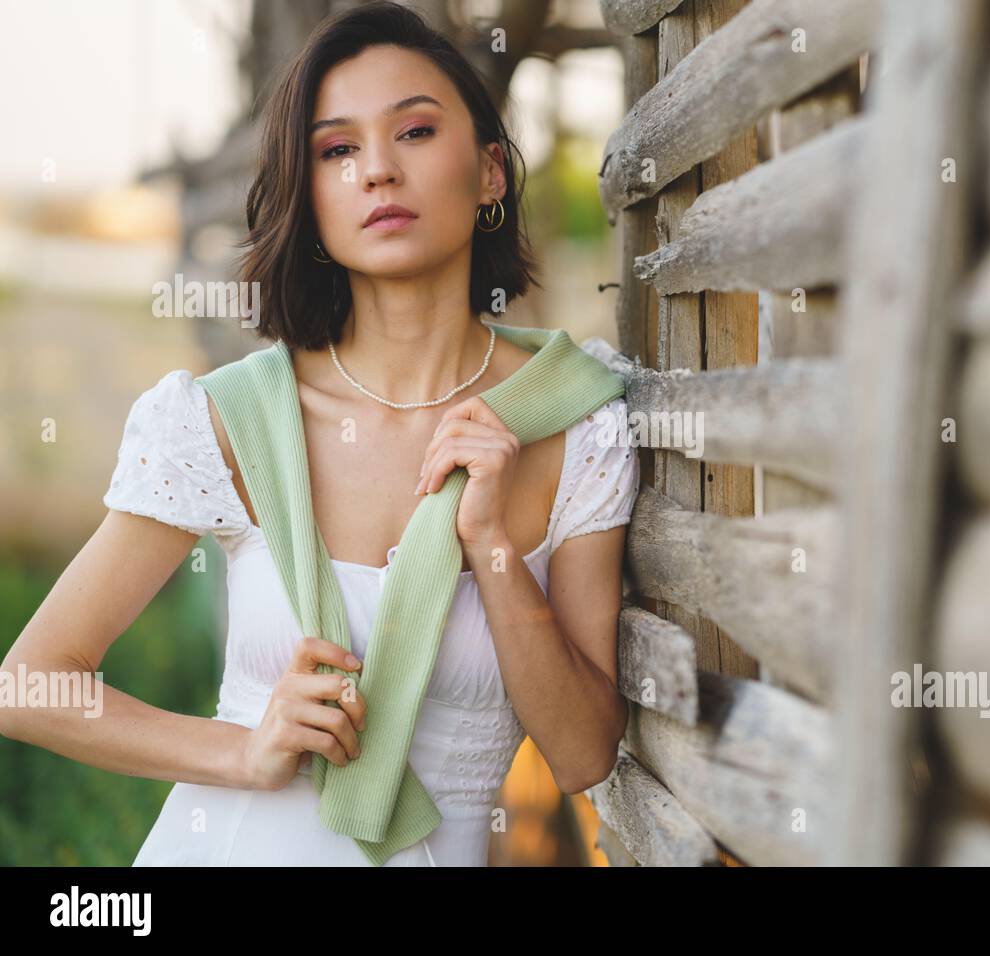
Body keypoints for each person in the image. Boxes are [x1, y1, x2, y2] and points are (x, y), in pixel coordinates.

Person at [0, 1, 637, 866]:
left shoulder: (574, 421)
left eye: (413, 132)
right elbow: (30, 684)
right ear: (312, 198)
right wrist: (243, 748)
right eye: (338, 150)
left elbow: (583, 753)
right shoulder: (229, 420)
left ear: (491, 171)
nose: (377, 170)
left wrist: (490, 545)